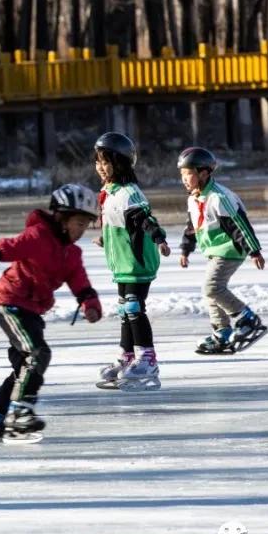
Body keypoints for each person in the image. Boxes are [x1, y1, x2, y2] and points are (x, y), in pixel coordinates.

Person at [0, 184, 103, 443]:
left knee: (24, 368)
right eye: (79, 223)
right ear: (61, 217)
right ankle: (19, 414)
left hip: (33, 311)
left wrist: (90, 304)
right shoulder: (37, 236)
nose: (81, 231)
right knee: (37, 354)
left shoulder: (72, 253)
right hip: (10, 303)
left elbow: (80, 282)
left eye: (86, 225)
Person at [92, 132, 170, 391]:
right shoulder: (108, 192)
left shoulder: (129, 192)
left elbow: (144, 219)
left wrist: (159, 238)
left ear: (120, 163)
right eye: (98, 162)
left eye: (106, 162)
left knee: (135, 308)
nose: (101, 168)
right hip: (122, 263)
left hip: (138, 262)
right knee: (126, 310)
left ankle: (147, 360)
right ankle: (127, 358)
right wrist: (104, 239)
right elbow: (116, 223)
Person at [177, 147, 267, 354]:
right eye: (182, 174)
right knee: (211, 292)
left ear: (204, 173)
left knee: (212, 287)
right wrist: (185, 250)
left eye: (188, 174)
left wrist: (254, 251)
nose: (184, 179)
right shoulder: (194, 198)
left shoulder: (220, 197)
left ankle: (246, 317)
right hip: (214, 251)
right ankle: (222, 332)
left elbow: (240, 226)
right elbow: (192, 226)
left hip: (231, 249)